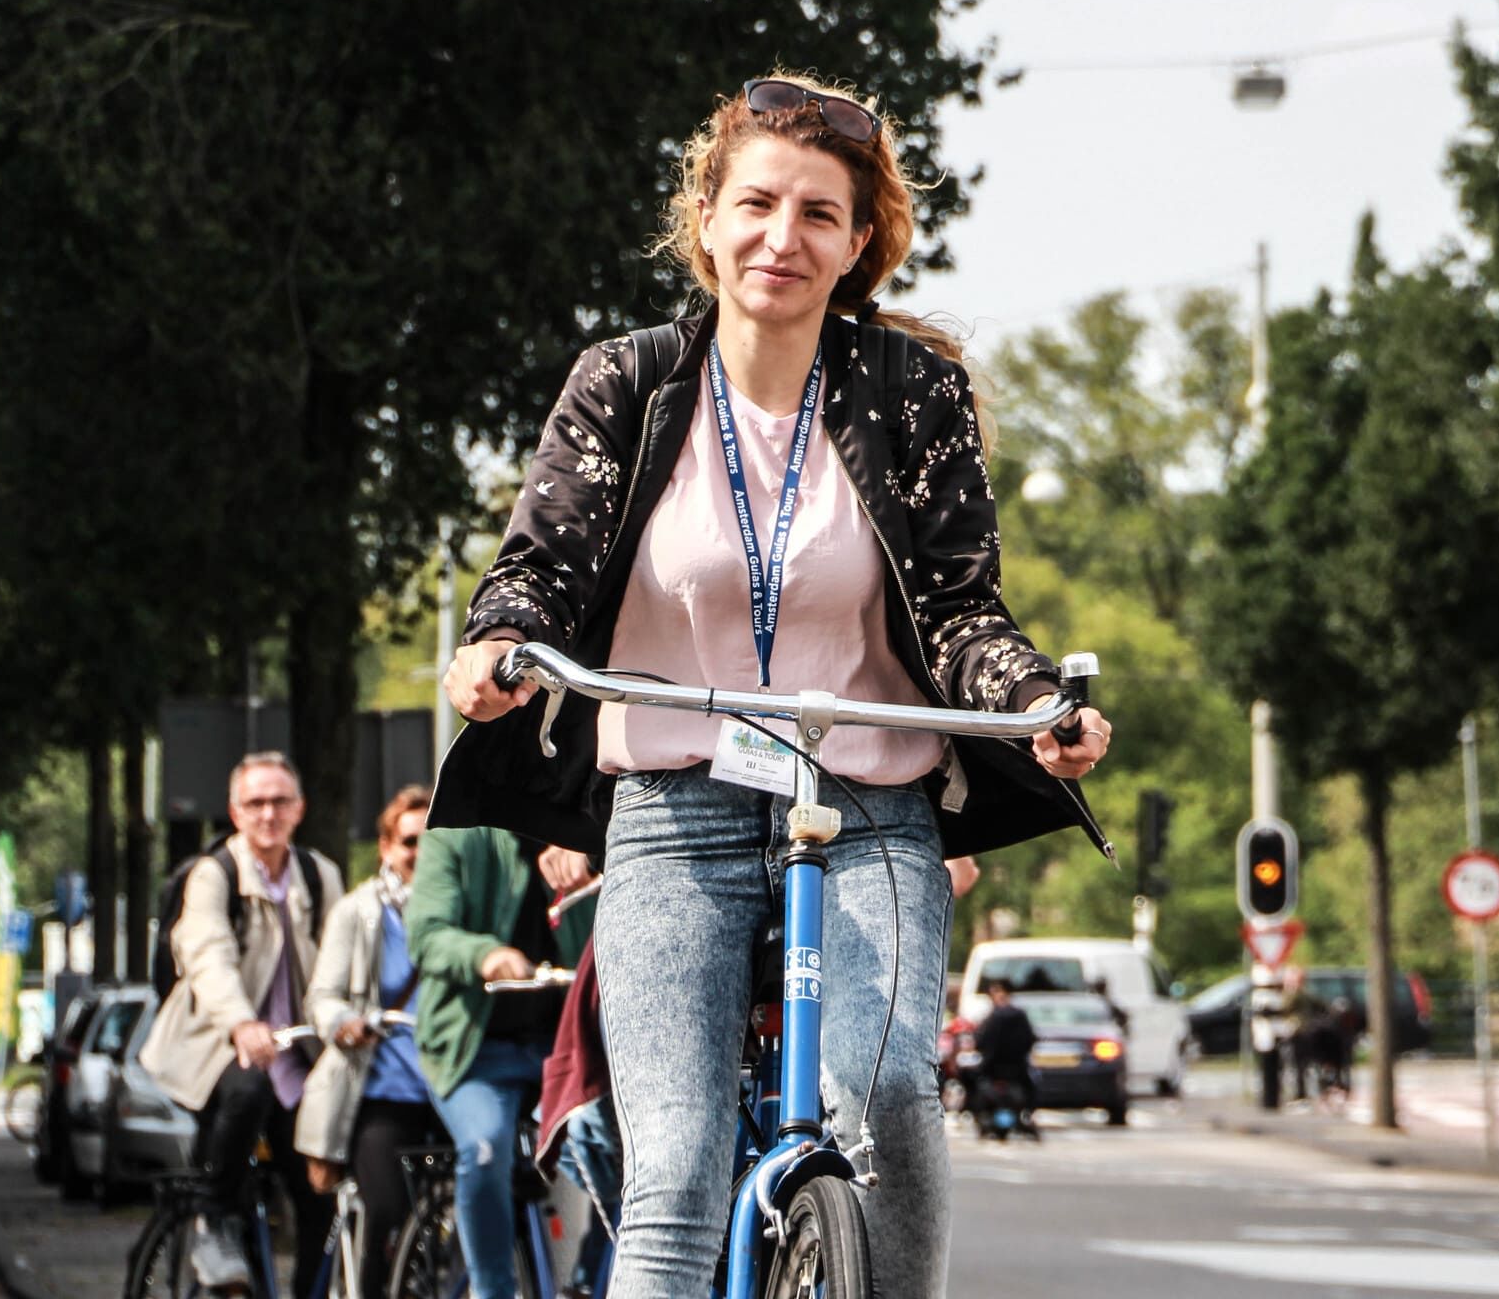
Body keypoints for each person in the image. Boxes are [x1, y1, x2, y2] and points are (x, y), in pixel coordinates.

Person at [438, 75, 1114, 1299]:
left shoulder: (912, 395)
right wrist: (500, 642)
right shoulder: (627, 384)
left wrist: (1031, 703)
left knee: (886, 1092)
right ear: (706, 218)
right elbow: (542, 566)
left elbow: (960, 607)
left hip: (867, 808)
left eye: (818, 214)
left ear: (857, 244)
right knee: (675, 1172)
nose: (781, 237)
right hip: (672, 812)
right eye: (756, 204)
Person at [141, 751, 345, 1299]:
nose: (268, 813)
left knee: (319, 1191)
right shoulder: (214, 875)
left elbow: (342, 956)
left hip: (295, 1056)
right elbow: (209, 955)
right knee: (247, 1090)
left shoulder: (319, 874)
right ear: (235, 812)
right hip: (218, 1047)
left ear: (299, 808)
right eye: (255, 803)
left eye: (279, 801)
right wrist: (240, 1023)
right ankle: (213, 1222)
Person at [403, 824, 593, 1299]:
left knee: (617, 1146)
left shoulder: (583, 835)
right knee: (485, 1147)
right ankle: (493, 1291)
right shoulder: (455, 833)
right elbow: (427, 933)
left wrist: (591, 861)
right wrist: (484, 954)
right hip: (474, 1052)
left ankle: (592, 1281)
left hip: (559, 1052)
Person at [296, 785, 435, 1299]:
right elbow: (322, 997)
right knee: (386, 1209)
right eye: (410, 841)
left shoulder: (459, 911)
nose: (421, 853)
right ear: (386, 847)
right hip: (380, 1094)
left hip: (443, 1090)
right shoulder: (358, 912)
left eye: (433, 841)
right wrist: (345, 1023)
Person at [970, 980, 1036, 1129]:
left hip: (991, 1068)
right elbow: (1030, 1039)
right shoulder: (1020, 1015)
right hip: (1017, 1068)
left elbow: (980, 1041)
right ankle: (1026, 1117)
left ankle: (978, 1116)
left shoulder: (992, 1018)